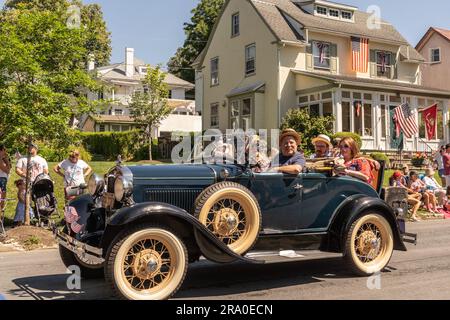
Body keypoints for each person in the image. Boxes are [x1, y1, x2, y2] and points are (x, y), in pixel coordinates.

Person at [0, 144, 11, 214]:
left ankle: (1, 218)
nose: (5, 151)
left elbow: (9, 167)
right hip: (1, 179)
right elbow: (7, 170)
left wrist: (7, 160)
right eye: (4, 150)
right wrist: (7, 161)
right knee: (1, 199)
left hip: (3, 179)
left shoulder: (3, 158)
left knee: (2, 200)